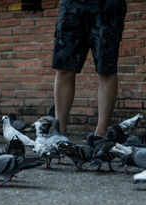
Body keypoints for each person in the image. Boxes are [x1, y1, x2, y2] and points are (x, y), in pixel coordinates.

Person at [52, 0, 127, 137]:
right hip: (71, 5)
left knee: (106, 69)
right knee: (63, 67)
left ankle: (101, 133)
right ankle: (59, 133)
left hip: (107, 6)